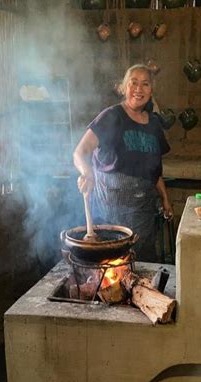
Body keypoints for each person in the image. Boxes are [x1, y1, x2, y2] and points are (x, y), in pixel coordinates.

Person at [73, 64, 173, 262]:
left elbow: (155, 172)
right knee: (111, 265)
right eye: (133, 83)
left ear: (151, 90)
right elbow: (80, 152)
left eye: (145, 84)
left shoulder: (154, 124)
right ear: (123, 87)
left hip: (143, 213)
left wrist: (165, 199)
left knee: (142, 265)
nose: (139, 89)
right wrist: (87, 172)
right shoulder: (111, 116)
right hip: (109, 211)